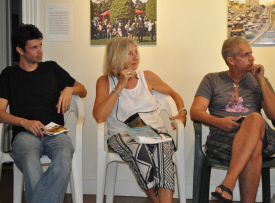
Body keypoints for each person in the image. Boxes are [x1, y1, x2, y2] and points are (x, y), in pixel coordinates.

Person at [0, 24, 87, 203]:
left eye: (40, 45)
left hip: (54, 132)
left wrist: (69, 89)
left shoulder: (52, 69)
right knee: (30, 162)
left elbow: (83, 89)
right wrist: (24, 122)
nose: (40, 51)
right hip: (25, 134)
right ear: (20, 50)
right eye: (34, 47)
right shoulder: (9, 75)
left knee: (64, 157)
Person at [93, 37, 186, 203]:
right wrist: (119, 86)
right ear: (117, 56)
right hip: (122, 135)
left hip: (155, 132)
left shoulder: (147, 77)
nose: (136, 57)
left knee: (163, 151)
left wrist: (182, 112)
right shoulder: (105, 81)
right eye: (130, 53)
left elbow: (174, 94)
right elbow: (99, 116)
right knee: (140, 151)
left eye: (136, 52)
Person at [190, 37, 275, 203]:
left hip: (262, 135)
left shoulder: (259, 81)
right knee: (254, 146)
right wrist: (219, 122)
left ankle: (228, 182)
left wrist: (262, 81)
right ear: (231, 60)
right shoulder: (212, 79)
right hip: (223, 138)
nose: (252, 58)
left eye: (251, 53)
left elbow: (273, 115)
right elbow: (195, 111)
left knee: (255, 118)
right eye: (245, 55)